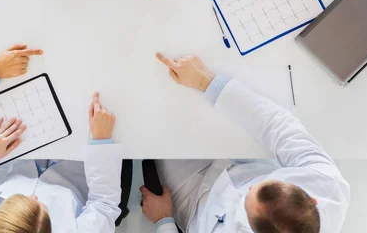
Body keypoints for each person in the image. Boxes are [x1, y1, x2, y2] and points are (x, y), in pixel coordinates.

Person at [140, 52, 350, 232]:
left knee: (152, 120)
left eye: (248, 199)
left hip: (195, 202)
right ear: (312, 201)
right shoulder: (329, 187)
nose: (249, 188)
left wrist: (163, 220)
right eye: (264, 184)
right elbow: (280, 128)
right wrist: (206, 81)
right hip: (246, 161)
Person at [0, 92, 122, 233]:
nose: (33, 195)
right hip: (76, 166)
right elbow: (104, 205)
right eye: (42, 207)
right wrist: (101, 142)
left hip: (15, 157)